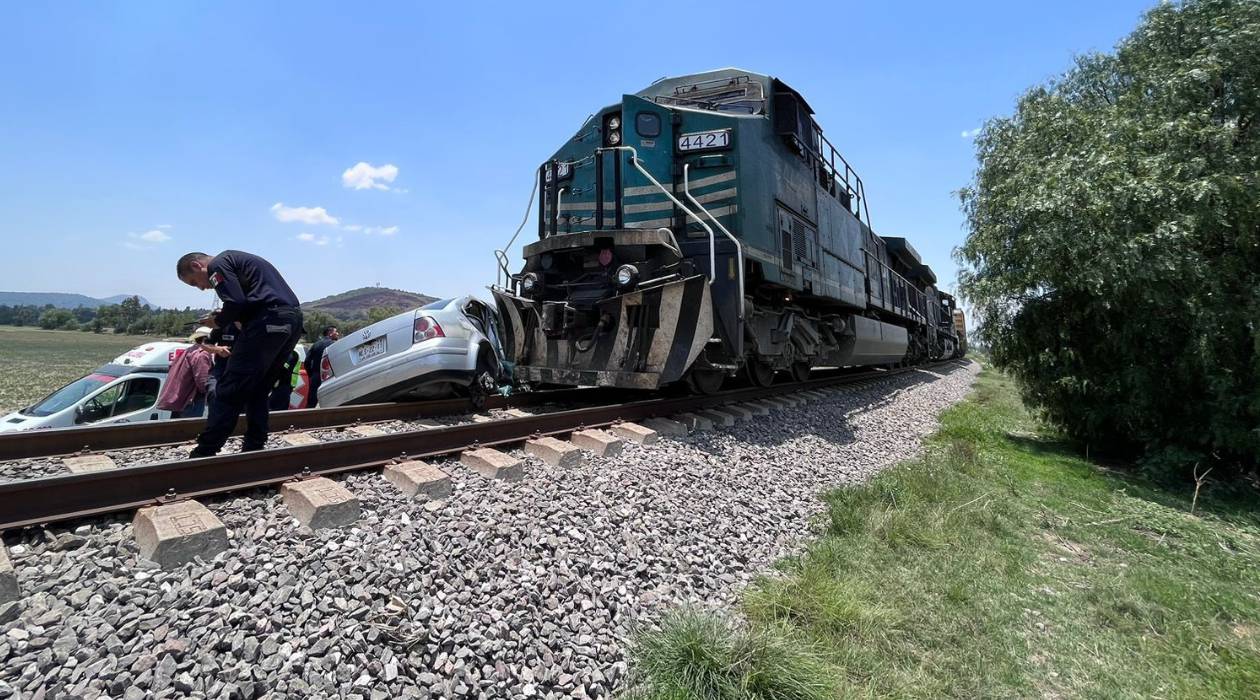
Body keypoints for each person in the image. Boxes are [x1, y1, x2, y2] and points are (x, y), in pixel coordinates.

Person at [176, 250, 303, 457]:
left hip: (267, 321)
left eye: (193, 282)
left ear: (196, 266)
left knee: (229, 389)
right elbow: (248, 301)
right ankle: (254, 447)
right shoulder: (237, 261)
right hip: (291, 321)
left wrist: (217, 321)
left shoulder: (218, 264)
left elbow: (235, 302)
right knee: (259, 390)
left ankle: (205, 451)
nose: (200, 288)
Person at [156, 327, 214, 418]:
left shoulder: (189, 350)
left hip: (181, 399)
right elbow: (203, 381)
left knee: (177, 429)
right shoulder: (202, 354)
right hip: (192, 400)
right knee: (190, 429)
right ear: (206, 339)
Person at [303, 325, 339, 407]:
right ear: (330, 333)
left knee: (311, 401)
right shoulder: (334, 345)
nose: (337, 333)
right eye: (335, 331)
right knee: (331, 402)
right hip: (330, 376)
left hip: (316, 376)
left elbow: (307, 361)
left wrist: (311, 374)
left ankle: (306, 418)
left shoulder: (316, 344)